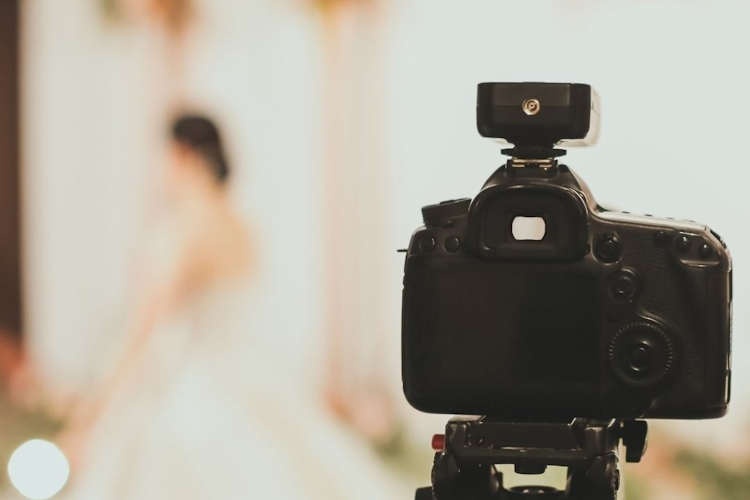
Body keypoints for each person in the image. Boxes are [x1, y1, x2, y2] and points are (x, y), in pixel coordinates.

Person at [58, 115, 407, 500]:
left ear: (182, 154)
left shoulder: (185, 229)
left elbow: (142, 330)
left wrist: (90, 418)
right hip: (242, 374)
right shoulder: (241, 226)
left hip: (189, 390)